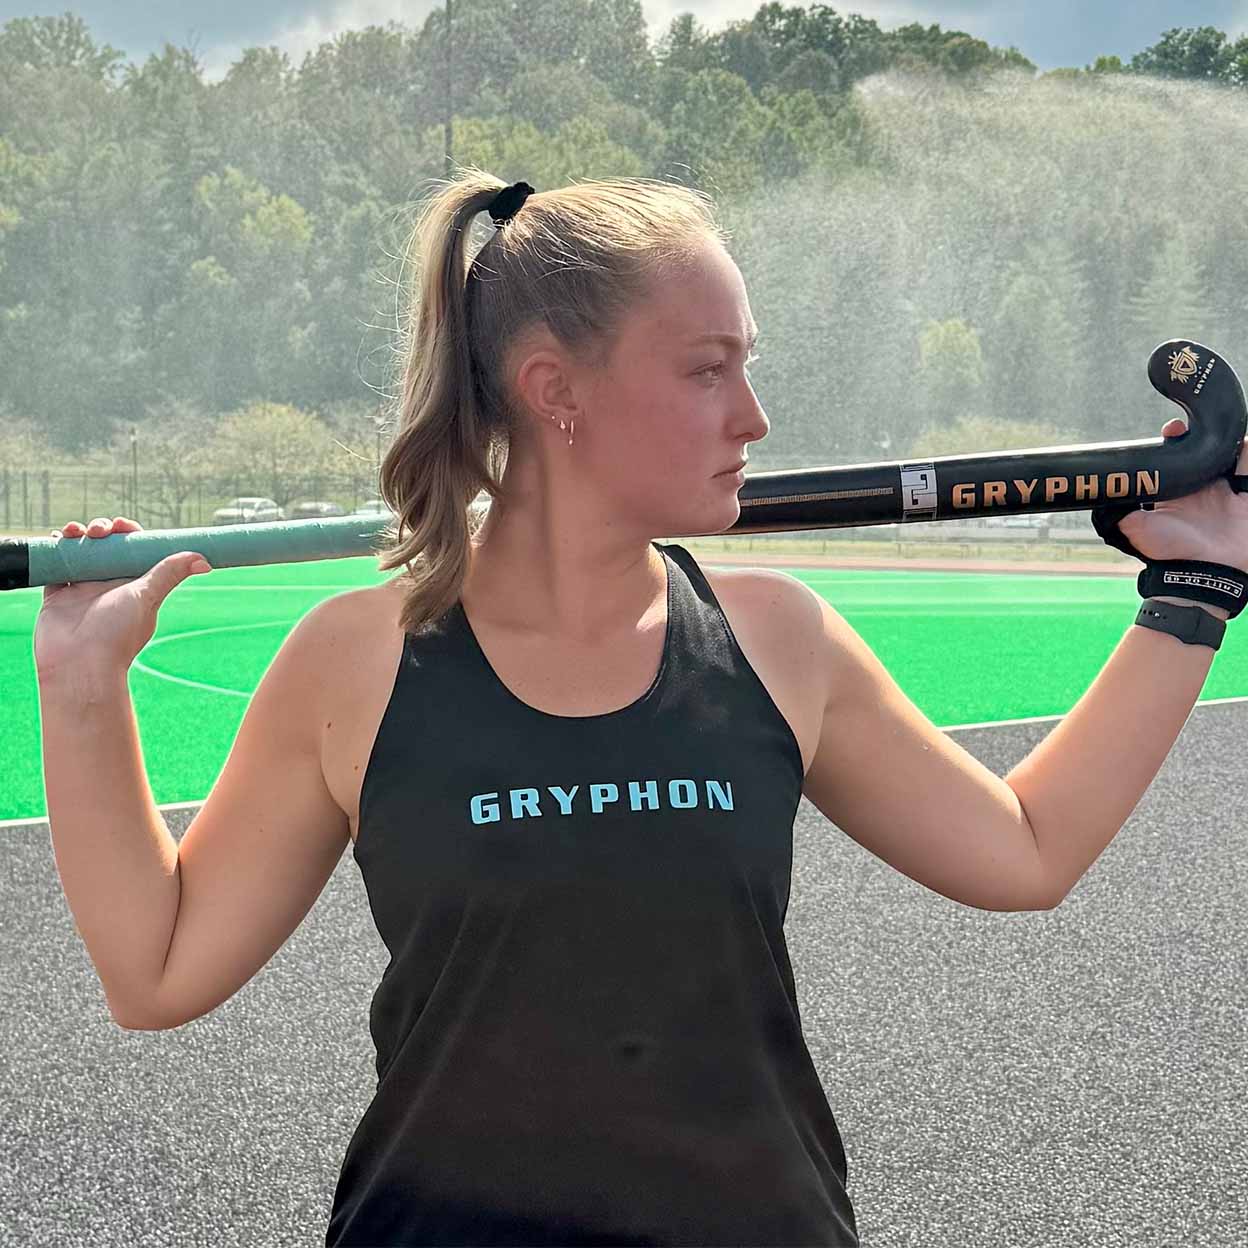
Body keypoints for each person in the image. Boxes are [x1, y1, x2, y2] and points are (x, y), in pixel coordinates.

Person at [35, 169, 1248, 1247]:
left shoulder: (779, 640)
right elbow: (159, 973)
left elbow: (1027, 851)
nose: (754, 417)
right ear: (555, 388)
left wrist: (1194, 594)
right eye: (707, 369)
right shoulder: (356, 659)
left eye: (748, 365)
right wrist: (83, 688)